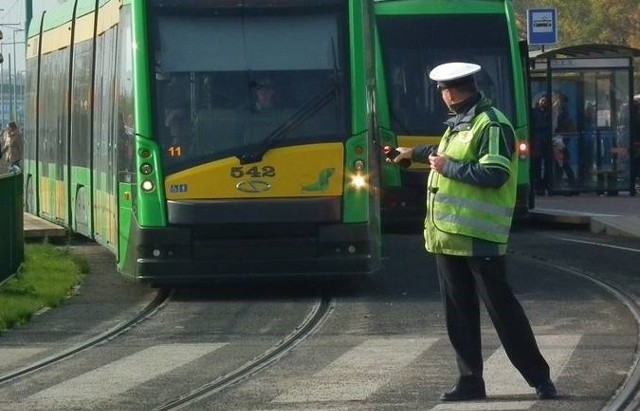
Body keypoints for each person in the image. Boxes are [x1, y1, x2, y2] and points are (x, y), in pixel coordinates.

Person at [389, 62, 557, 402]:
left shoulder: (491, 123)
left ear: (450, 92)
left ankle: (539, 378)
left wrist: (447, 167)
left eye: (441, 92)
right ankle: (470, 382)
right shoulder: (461, 123)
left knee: (502, 310)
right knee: (460, 314)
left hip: (478, 236)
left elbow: (494, 172)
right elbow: (443, 152)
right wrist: (413, 154)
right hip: (447, 235)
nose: (442, 97)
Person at [531, 95, 552, 195]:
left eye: (546, 101)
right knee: (537, 166)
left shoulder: (549, 112)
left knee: (548, 165)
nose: (544, 103)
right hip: (538, 141)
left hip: (546, 141)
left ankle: (546, 185)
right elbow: (536, 125)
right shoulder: (535, 112)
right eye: (542, 101)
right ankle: (538, 187)